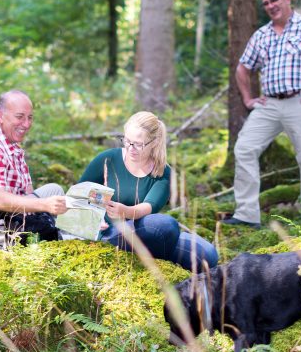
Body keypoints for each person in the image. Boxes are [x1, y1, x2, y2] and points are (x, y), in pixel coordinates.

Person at [224, 0, 301, 228]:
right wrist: (248, 98)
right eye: (266, 3)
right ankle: (247, 214)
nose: (271, 6)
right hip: (269, 104)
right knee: (244, 148)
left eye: (275, 0)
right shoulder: (261, 35)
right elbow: (242, 68)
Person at [79, 111, 219, 271]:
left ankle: (156, 254)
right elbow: (79, 194)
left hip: (143, 230)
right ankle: (155, 260)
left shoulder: (163, 172)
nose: (131, 148)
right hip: (108, 232)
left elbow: (148, 206)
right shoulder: (108, 159)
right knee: (165, 225)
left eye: (138, 144)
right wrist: (95, 219)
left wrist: (126, 211)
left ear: (154, 142)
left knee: (208, 255)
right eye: (127, 141)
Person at [0, 90, 67, 243]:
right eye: (20, 117)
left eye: (30, 117)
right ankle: (63, 239)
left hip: (12, 218)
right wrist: (45, 205)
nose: (27, 124)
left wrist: (45, 208)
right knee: (51, 210)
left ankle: (70, 234)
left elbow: (27, 192)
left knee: (55, 190)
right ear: (0, 116)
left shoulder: (12, 146)